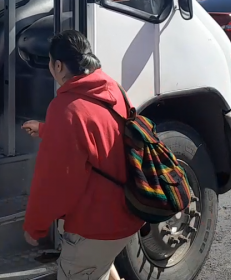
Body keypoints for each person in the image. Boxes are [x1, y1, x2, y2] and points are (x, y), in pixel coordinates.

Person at [21, 29, 143, 280]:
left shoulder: (66, 108)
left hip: (95, 225)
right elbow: (99, 134)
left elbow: (54, 181)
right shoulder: (111, 88)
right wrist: (46, 130)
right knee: (102, 266)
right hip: (130, 212)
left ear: (57, 65)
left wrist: (35, 227)